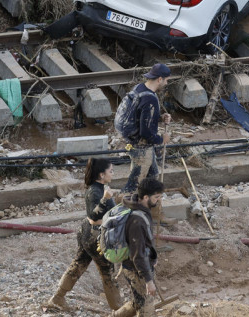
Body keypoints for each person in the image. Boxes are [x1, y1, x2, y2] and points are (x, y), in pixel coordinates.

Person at [43, 158, 122, 312]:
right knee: (108, 272)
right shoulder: (95, 191)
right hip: (95, 235)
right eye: (110, 171)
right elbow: (93, 216)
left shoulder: (99, 188)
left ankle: (57, 297)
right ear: (101, 174)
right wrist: (106, 199)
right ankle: (118, 310)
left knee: (79, 264)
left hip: (88, 234)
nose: (113, 173)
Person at [120, 63, 172, 219]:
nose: (166, 84)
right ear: (160, 79)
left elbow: (141, 116)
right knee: (135, 185)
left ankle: (154, 214)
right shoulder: (150, 99)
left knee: (153, 177)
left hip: (134, 143)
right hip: (142, 148)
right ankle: (126, 216)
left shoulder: (140, 89)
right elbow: (146, 132)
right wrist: (161, 139)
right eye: (166, 80)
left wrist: (159, 117)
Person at [111, 178, 164, 317]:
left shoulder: (139, 207)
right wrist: (148, 280)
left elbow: (144, 242)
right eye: (156, 197)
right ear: (145, 197)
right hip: (135, 270)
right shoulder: (137, 220)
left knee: (137, 302)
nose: (159, 200)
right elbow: (138, 254)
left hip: (136, 266)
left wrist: (153, 257)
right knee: (146, 310)